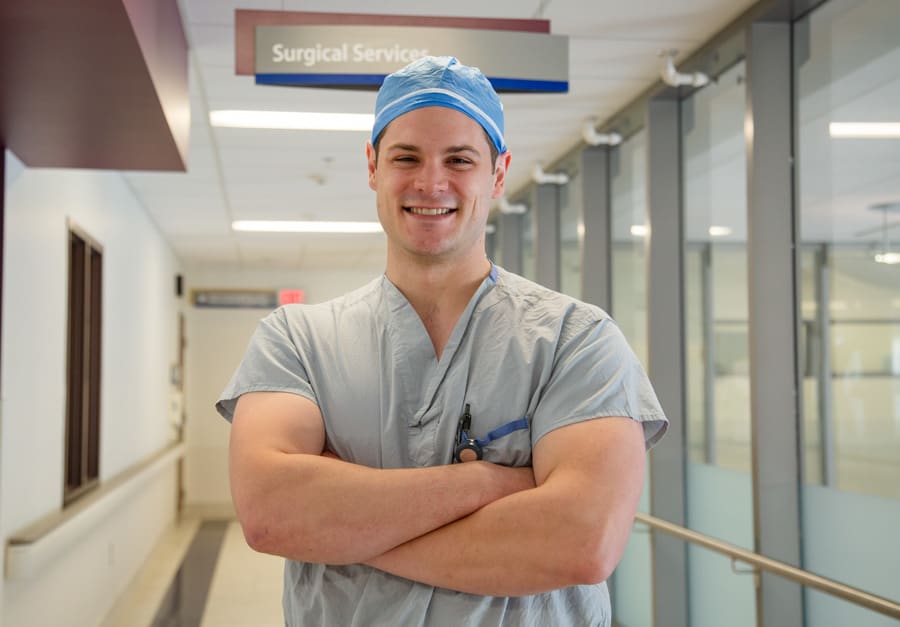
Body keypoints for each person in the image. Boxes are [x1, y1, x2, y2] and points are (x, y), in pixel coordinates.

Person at [216, 55, 668, 627]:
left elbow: (582, 542)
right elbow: (272, 515)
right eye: (406, 157)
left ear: (498, 174)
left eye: (460, 159)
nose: (432, 182)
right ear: (373, 165)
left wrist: (343, 528)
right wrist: (488, 482)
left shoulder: (576, 341)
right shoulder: (296, 340)